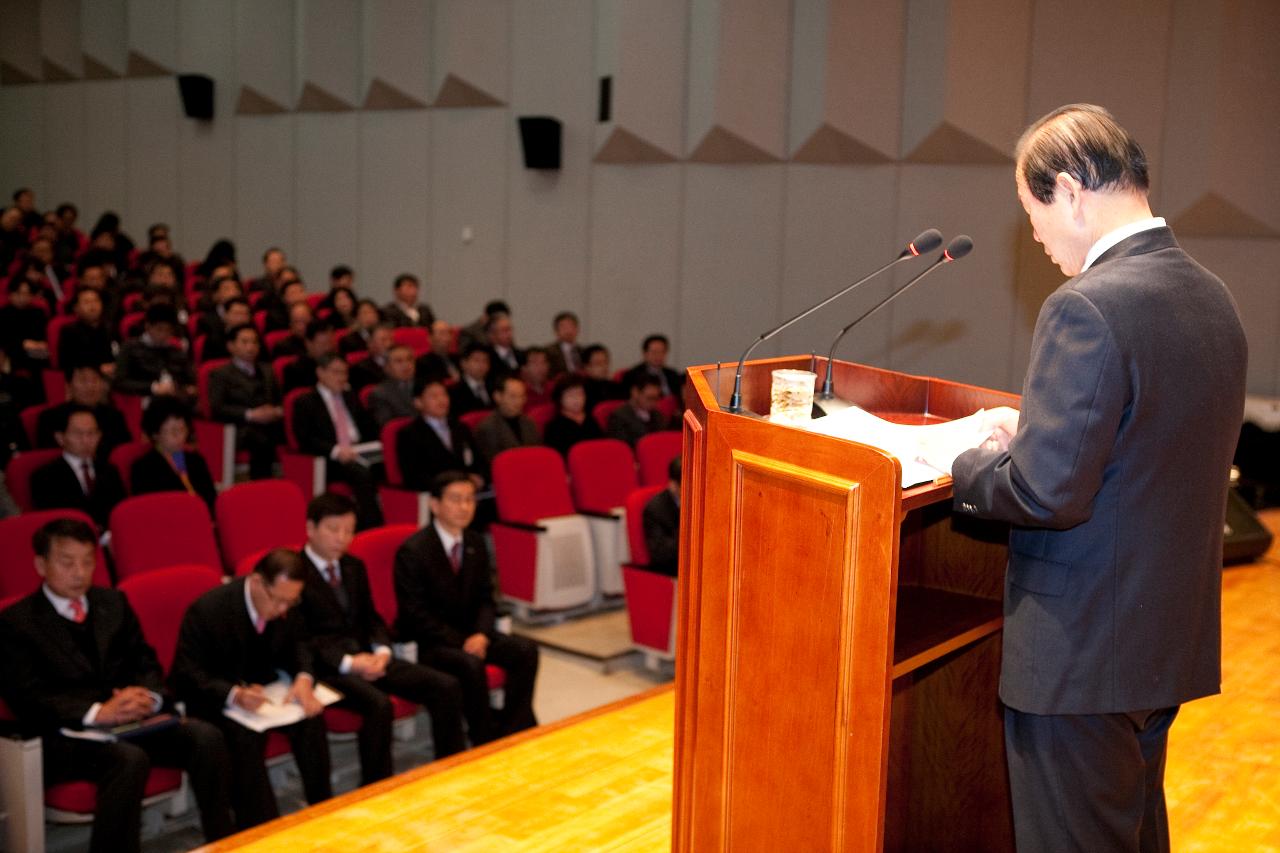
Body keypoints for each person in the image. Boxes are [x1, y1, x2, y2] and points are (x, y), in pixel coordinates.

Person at [933, 104, 1248, 853]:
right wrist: (1037, 434)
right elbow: (1149, 449)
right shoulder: (1211, 296)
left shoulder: (1087, 305)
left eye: (1032, 210)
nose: (1036, 235)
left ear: (1071, 189)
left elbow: (1045, 492)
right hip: (1157, 645)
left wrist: (964, 466)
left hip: (1080, 658)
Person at [0, 518, 234, 853]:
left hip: (129, 722)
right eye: (67, 562)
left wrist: (147, 697)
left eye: (87, 561)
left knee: (205, 736)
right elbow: (28, 697)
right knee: (128, 760)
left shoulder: (113, 603)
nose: (79, 572)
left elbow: (145, 661)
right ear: (41, 564)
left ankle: (225, 841)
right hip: (67, 738)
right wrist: (98, 712)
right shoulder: (16, 623)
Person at [295, 493, 467, 782]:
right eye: (334, 530)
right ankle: (377, 785)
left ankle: (452, 768)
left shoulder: (353, 566)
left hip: (370, 657)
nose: (342, 538)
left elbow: (372, 619)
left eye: (349, 531)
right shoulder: (294, 574)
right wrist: (351, 663)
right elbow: (302, 639)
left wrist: (383, 652)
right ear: (311, 528)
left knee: (445, 685)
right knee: (379, 704)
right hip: (330, 670)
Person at [169, 549, 333, 830]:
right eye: (278, 601)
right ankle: (262, 830)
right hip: (218, 701)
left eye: (290, 603)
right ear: (257, 582)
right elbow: (188, 674)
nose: (283, 610)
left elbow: (302, 644)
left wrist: (304, 679)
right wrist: (234, 693)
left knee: (310, 716)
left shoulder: (287, 601)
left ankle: (325, 812)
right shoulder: (209, 610)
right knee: (243, 739)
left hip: (268, 693)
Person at [394, 472, 539, 744]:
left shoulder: (474, 542)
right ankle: (482, 736)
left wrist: (482, 634)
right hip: (433, 642)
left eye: (470, 500)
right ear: (434, 505)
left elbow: (486, 597)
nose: (464, 507)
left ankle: (514, 729)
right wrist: (463, 641)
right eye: (456, 500)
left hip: (473, 634)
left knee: (525, 650)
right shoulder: (414, 551)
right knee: (469, 663)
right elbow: (415, 614)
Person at [291, 353, 384, 529]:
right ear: (321, 373)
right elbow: (305, 440)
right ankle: (372, 526)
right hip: (331, 457)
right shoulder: (305, 401)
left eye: (344, 373)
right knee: (361, 473)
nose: (342, 378)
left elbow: (367, 426)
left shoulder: (350, 396)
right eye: (336, 373)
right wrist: (336, 451)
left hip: (359, 449)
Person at [207, 323, 284, 479]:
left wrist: (277, 411)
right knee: (261, 440)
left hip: (271, 422)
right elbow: (217, 408)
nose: (251, 347)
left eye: (254, 342)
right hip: (241, 427)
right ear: (231, 346)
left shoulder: (268, 370)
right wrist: (250, 414)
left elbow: (280, 400)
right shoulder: (220, 374)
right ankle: (263, 487)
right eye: (245, 342)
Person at [31, 406, 127, 528]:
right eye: (78, 434)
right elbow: (54, 522)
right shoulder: (44, 477)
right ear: (60, 438)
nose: (86, 440)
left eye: (91, 433)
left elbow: (119, 512)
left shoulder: (110, 470)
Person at [399, 376, 486, 491]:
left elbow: (480, 460)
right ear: (418, 402)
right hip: (436, 495)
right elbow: (415, 477)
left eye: (444, 394)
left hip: (472, 491)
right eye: (434, 396)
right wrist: (457, 482)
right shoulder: (409, 435)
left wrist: (480, 477)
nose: (441, 400)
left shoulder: (460, 427)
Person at [130, 396, 217, 510]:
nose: (180, 437)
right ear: (156, 433)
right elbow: (147, 510)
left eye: (182, 429)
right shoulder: (143, 468)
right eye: (173, 431)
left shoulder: (196, 460)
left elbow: (212, 500)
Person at [36, 364, 132, 456]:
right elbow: (48, 456)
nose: (90, 386)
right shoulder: (51, 418)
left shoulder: (115, 416)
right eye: (83, 380)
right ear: (68, 386)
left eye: (95, 380)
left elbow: (124, 452)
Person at [113, 303, 196, 403]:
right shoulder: (130, 348)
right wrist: (153, 387)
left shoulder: (176, 351)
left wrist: (187, 388)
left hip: (177, 400)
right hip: (144, 400)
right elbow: (120, 382)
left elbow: (190, 380)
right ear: (148, 327)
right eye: (159, 329)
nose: (164, 335)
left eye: (168, 330)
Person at [473, 376, 538, 467]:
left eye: (522, 396)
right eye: (513, 396)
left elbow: (539, 452)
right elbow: (495, 463)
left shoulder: (529, 422)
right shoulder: (487, 428)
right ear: (498, 397)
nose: (519, 401)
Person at [542, 375, 602, 458]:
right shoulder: (554, 427)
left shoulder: (591, 420)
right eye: (570, 395)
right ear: (560, 398)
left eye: (580, 394)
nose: (576, 399)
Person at [57, 287, 115, 374]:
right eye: (86, 302)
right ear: (76, 308)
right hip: (84, 378)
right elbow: (68, 362)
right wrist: (98, 367)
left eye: (96, 301)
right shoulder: (69, 331)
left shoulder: (110, 327)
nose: (93, 305)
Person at [642, 457, 681, 577]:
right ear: (673, 485)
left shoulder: (706, 500)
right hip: (672, 572)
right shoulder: (655, 509)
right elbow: (660, 554)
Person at [607, 375, 668, 448]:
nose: (653, 403)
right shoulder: (619, 417)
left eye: (656, 399)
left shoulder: (657, 414)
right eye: (649, 398)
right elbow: (622, 448)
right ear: (635, 392)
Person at [366, 342, 417, 428]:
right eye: (398, 361)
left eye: (409, 359)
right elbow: (389, 428)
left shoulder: (427, 385)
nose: (406, 365)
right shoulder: (380, 393)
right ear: (387, 367)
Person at [622, 333, 682, 400]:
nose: (658, 356)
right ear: (645, 353)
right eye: (654, 352)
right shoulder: (632, 375)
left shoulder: (673, 374)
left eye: (662, 352)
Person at [449, 343, 495, 415]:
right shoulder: (454, 391)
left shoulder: (493, 387)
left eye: (485, 361)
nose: (481, 365)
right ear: (463, 363)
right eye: (476, 360)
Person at [544, 310, 582, 378]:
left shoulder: (583, 351)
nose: (568, 330)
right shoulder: (548, 351)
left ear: (577, 329)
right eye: (564, 327)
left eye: (571, 326)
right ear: (556, 331)